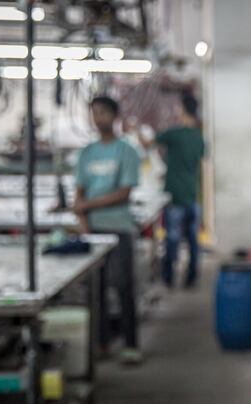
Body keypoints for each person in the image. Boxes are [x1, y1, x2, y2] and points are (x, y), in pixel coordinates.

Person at [73, 95, 142, 363]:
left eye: (102, 112)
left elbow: (124, 193)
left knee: (124, 286)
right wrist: (83, 222)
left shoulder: (126, 151)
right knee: (96, 290)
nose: (97, 118)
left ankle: (130, 344)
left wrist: (87, 204)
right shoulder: (86, 154)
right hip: (93, 230)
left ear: (114, 116)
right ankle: (101, 343)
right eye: (94, 113)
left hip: (119, 228)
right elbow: (78, 193)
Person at [147, 92, 205, 288]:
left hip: (174, 196)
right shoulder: (199, 138)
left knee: (172, 239)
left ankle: (168, 278)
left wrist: (135, 130)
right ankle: (191, 278)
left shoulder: (174, 134)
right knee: (193, 240)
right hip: (192, 195)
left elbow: (148, 143)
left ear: (182, 109)